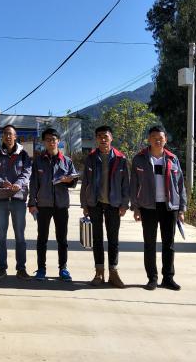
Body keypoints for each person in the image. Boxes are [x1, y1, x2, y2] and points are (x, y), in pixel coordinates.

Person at [130, 125, 187, 291]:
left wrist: (181, 209)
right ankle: (152, 278)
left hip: (170, 207)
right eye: (154, 138)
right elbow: (134, 184)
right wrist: (136, 208)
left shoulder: (172, 159)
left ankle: (168, 278)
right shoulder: (139, 159)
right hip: (148, 207)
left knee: (169, 244)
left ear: (165, 140)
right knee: (149, 244)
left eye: (160, 138)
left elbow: (180, 185)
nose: (157, 140)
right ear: (149, 139)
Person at [79, 125, 130, 288]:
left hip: (114, 204)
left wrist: (124, 204)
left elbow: (126, 184)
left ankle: (113, 273)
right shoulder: (91, 158)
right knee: (97, 239)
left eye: (105, 136)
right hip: (95, 203)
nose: (103, 139)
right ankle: (99, 272)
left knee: (113, 240)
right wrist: (84, 204)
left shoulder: (121, 159)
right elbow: (85, 182)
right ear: (96, 139)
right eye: (99, 136)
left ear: (111, 138)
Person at [28, 128, 79, 281]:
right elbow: (33, 184)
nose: (51, 142)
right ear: (44, 142)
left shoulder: (66, 160)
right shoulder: (38, 161)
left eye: (54, 139)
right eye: (48, 139)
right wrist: (32, 203)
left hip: (61, 205)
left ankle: (63, 268)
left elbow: (73, 180)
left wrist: (69, 180)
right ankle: (41, 269)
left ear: (58, 141)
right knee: (42, 239)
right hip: (43, 205)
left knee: (62, 239)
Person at [0, 124, 32, 279]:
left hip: (18, 200)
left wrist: (18, 184)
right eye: (5, 134)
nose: (8, 136)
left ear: (15, 136)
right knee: (1, 236)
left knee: (20, 236)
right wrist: (2, 183)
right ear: (2, 137)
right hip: (1, 200)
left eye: (10, 134)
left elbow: (27, 172)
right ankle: (2, 268)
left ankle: (21, 269)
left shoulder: (23, 155)